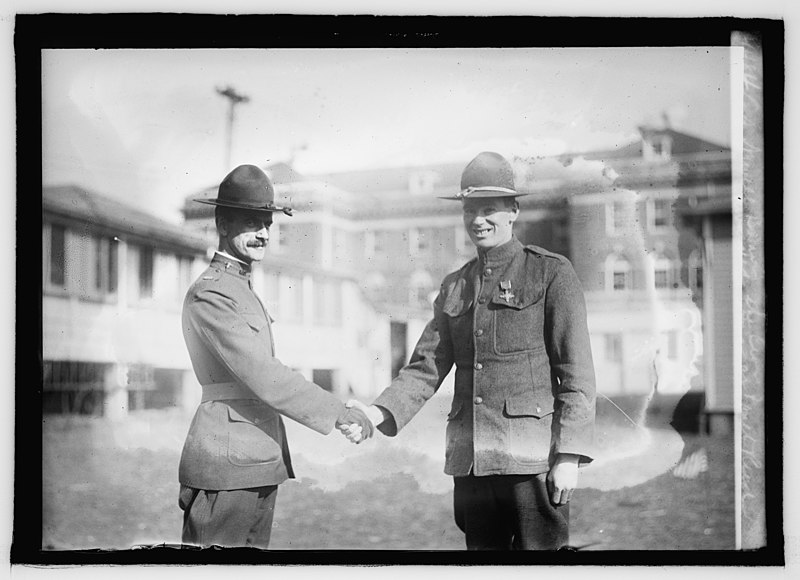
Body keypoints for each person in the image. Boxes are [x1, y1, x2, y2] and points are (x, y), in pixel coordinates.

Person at [344, 152, 596, 550]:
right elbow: (425, 367)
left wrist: (569, 454)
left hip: (529, 462)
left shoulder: (550, 273)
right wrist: (376, 414)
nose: (478, 220)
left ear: (513, 211)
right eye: (470, 210)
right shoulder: (455, 286)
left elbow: (576, 371)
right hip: (472, 463)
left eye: (490, 209)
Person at [178, 164, 374, 549]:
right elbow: (264, 375)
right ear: (222, 223)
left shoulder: (242, 287)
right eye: (252, 223)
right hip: (224, 464)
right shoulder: (212, 293)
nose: (264, 233)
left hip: (258, 460)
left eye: (267, 223)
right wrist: (338, 413)